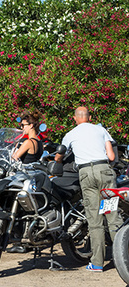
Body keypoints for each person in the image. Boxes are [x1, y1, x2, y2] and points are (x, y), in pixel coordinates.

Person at [56, 106, 121, 272]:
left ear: (75, 118)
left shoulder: (70, 134)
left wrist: (57, 159)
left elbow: (59, 156)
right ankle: (123, 258)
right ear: (89, 117)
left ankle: (97, 263)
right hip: (104, 171)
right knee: (112, 215)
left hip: (85, 173)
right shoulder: (101, 130)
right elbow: (112, 156)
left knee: (94, 219)